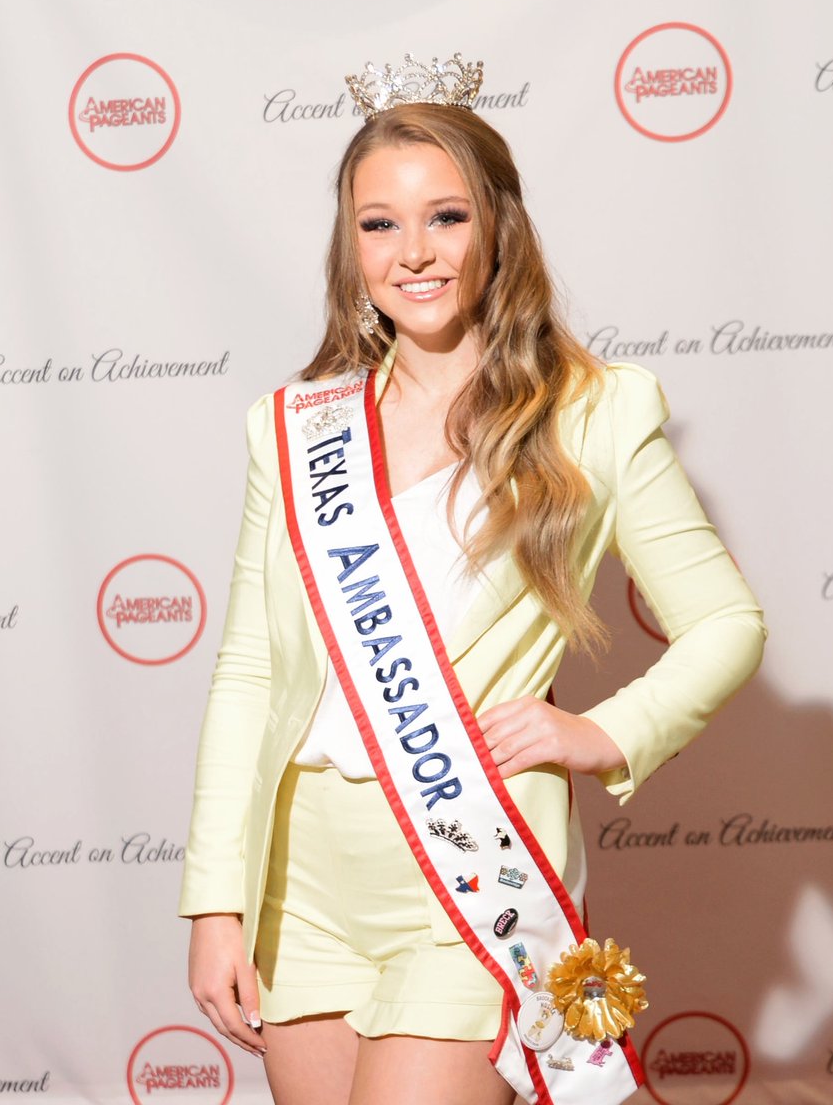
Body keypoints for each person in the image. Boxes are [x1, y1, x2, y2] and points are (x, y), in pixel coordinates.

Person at [180, 54, 766, 1105]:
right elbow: (248, 671)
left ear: (497, 227)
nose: (413, 253)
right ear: (348, 245)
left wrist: (604, 731)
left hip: (468, 866)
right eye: (378, 224)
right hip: (299, 881)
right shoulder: (294, 429)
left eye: (444, 216)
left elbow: (725, 622)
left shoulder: (595, 411)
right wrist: (215, 900)